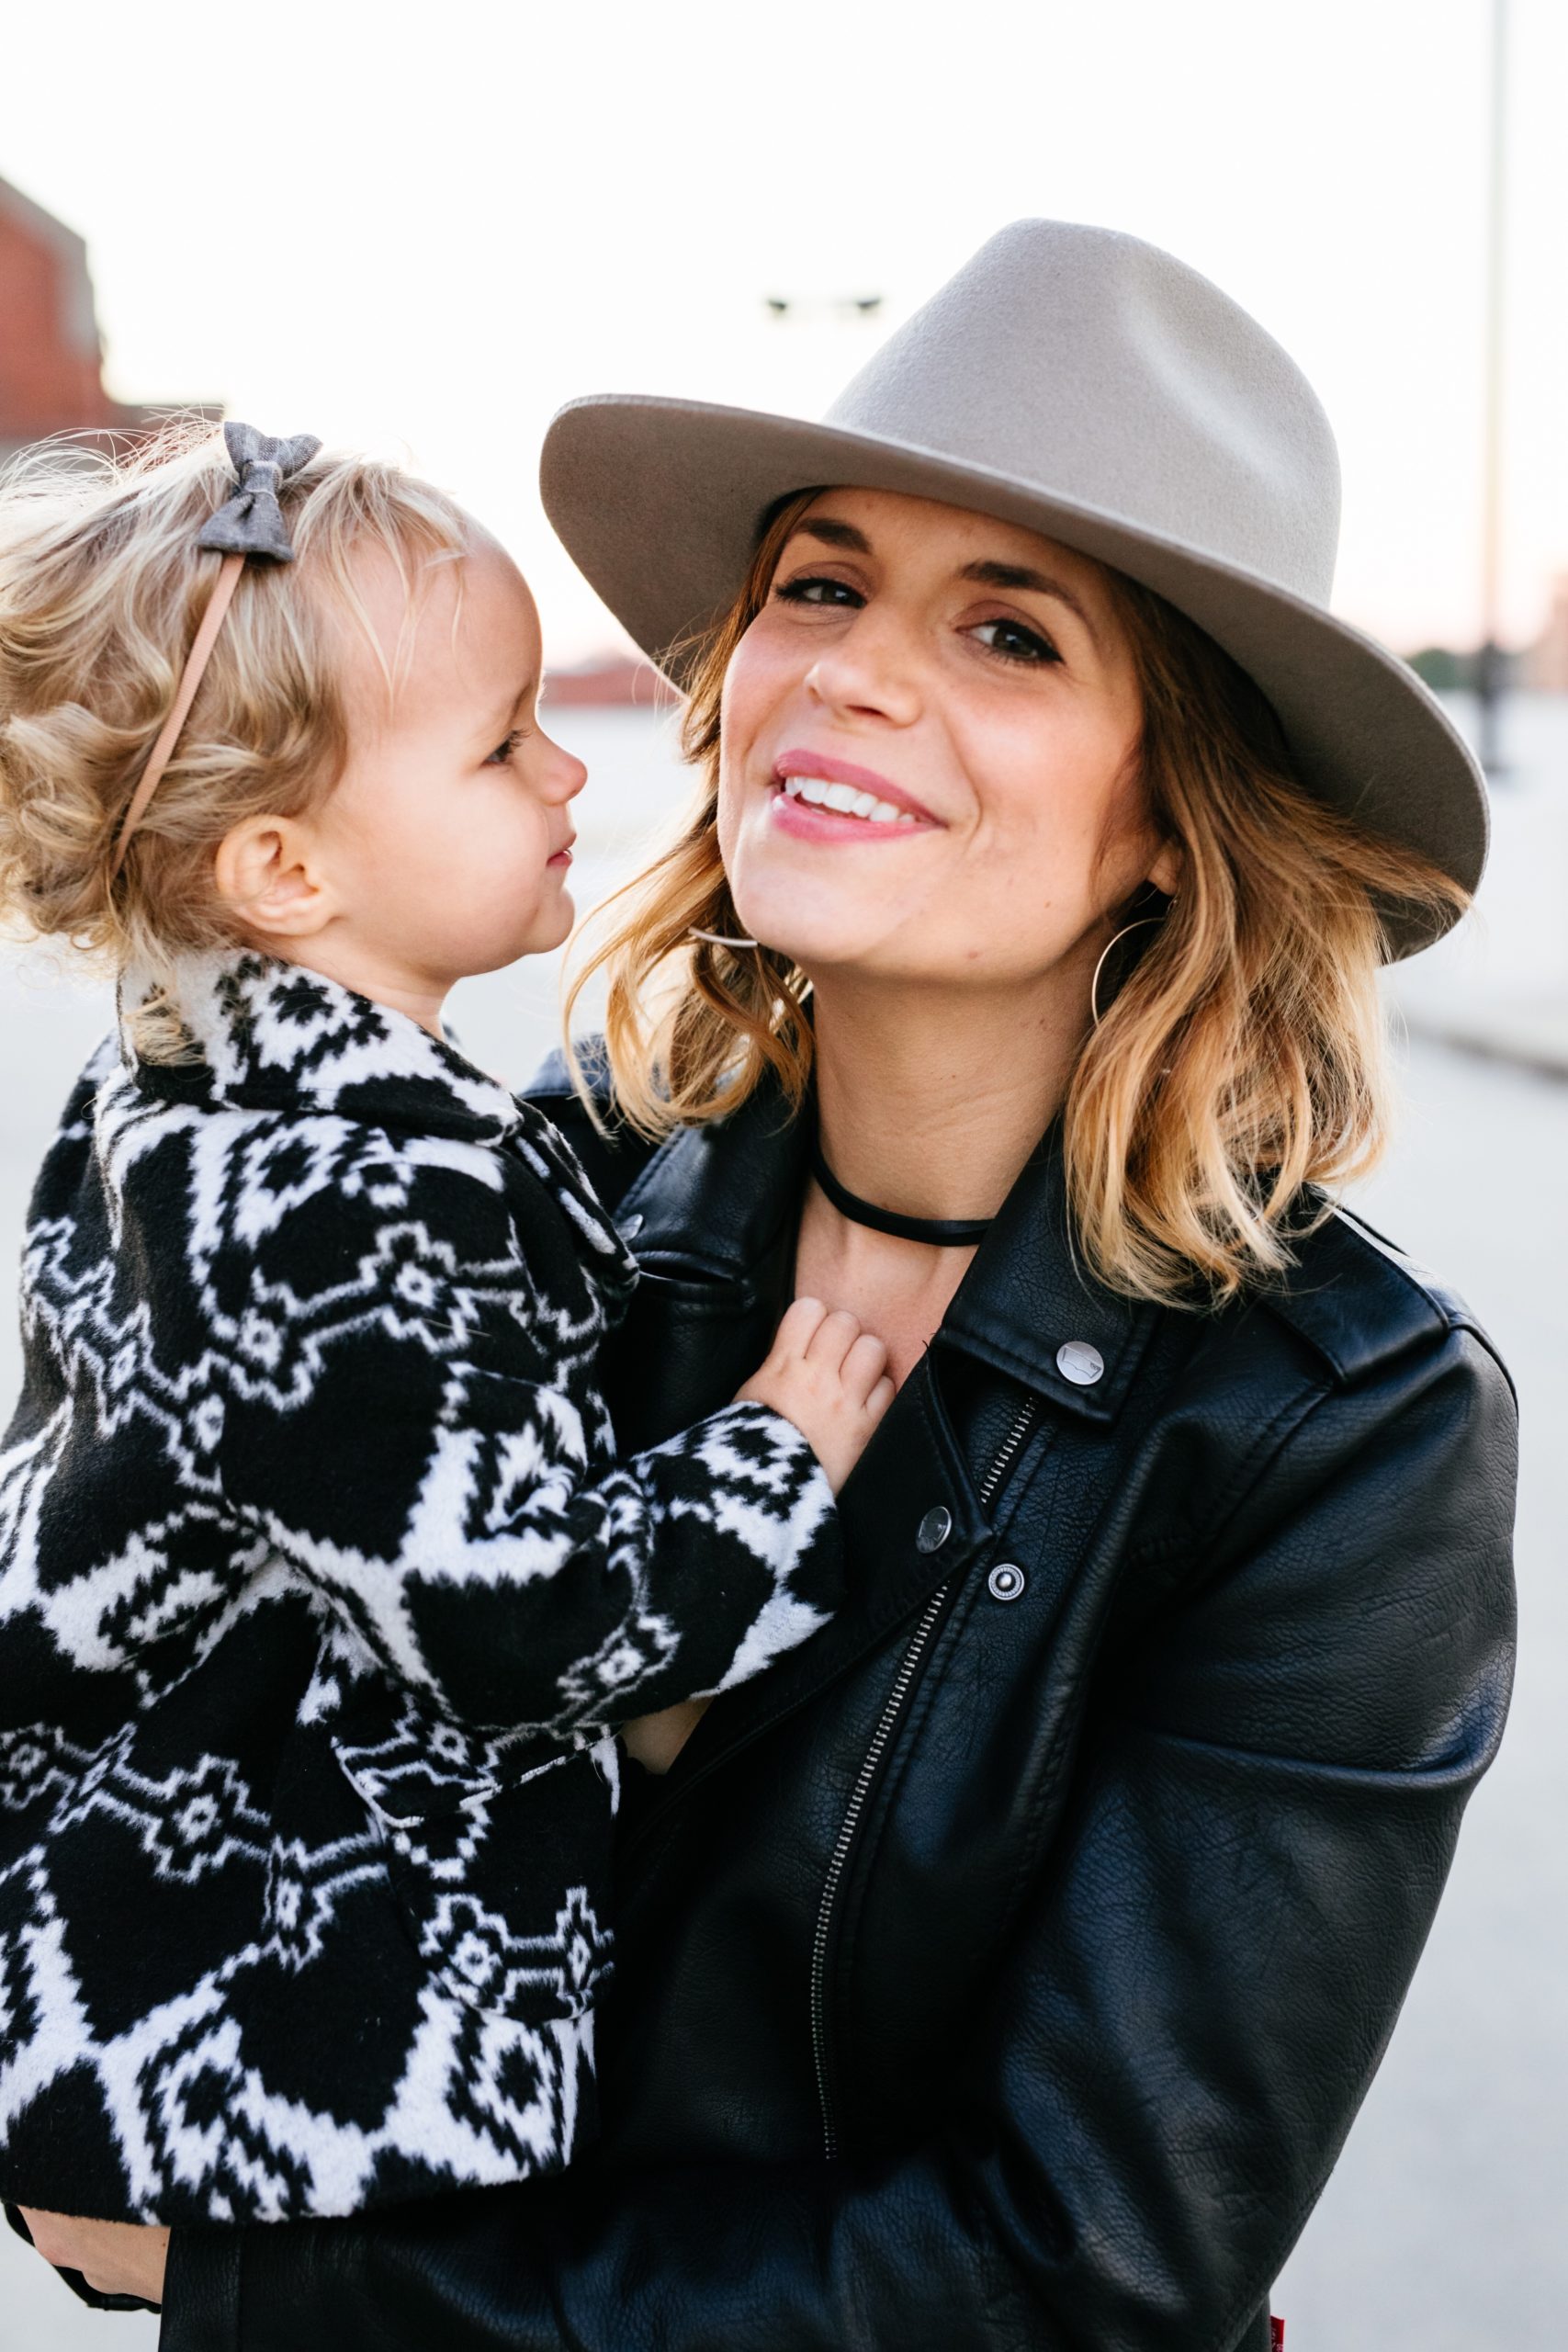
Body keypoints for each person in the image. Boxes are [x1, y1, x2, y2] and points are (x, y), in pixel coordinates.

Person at [39, 222, 1517, 2352]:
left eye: (1009, 632)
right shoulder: (518, 1191)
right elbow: (141, 1703)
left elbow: (1079, 2266)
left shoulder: (1338, 1431)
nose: (848, 671)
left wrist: (294, 2286)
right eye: (817, 583)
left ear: (1174, 818)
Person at [0, 424, 891, 2243]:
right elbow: (517, 1611)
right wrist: (769, 1450)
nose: (571, 758)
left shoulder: (173, 1103)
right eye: (498, 743)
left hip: (149, 1985)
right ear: (282, 869)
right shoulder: (338, 1199)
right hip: (298, 2061)